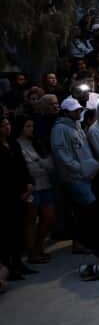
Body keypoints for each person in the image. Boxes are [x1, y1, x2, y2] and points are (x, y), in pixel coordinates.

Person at [51, 97, 99, 250]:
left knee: (83, 211)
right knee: (86, 210)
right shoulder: (59, 129)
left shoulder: (76, 125)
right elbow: (62, 154)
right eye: (75, 110)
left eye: (79, 109)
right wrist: (79, 169)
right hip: (75, 177)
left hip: (86, 175)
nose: (79, 112)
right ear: (66, 112)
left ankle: (82, 241)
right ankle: (80, 243)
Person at [16, 115, 56, 264]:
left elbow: (49, 165)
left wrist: (38, 162)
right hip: (31, 186)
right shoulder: (17, 144)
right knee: (31, 220)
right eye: (27, 126)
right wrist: (39, 163)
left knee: (49, 217)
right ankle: (33, 253)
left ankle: (39, 247)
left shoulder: (38, 142)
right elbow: (27, 167)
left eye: (32, 126)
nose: (31, 129)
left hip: (45, 183)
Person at [0, 114, 32, 283]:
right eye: (3, 125)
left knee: (19, 230)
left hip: (21, 192)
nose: (7, 128)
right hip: (6, 197)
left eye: (8, 124)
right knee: (7, 235)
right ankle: (8, 267)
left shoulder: (13, 143)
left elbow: (22, 165)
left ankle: (19, 263)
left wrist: (28, 183)